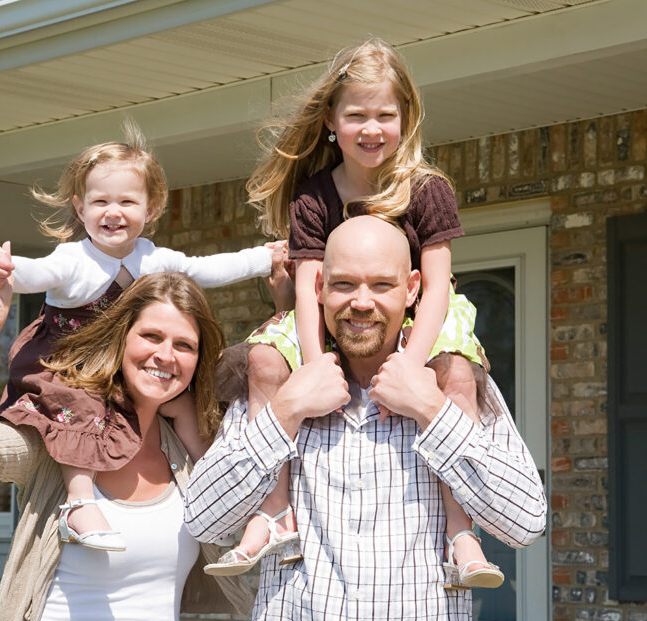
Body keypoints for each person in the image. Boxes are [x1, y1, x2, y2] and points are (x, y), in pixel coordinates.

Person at [184, 215, 547, 621]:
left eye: (381, 284)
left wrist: (431, 411)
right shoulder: (281, 379)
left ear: (414, 288)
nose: (361, 301)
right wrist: (287, 412)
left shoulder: (452, 381)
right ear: (318, 287)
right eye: (344, 284)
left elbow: (525, 521)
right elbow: (203, 519)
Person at [204, 38, 500, 588]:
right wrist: (316, 366)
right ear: (330, 122)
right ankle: (275, 511)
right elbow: (308, 285)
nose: (372, 128)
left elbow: (435, 285)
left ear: (406, 118)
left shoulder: (427, 189)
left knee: (456, 377)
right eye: (356, 114)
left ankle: (461, 531)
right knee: (266, 363)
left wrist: (412, 366)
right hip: (329, 313)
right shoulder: (314, 197)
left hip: (417, 315)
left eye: (386, 114)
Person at [0, 229, 253, 621]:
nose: (166, 355)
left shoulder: (186, 455)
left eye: (185, 344)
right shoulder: (59, 440)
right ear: (122, 340)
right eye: (152, 336)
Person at [0, 123, 287, 552]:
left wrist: (261, 258)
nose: (113, 212)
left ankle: (212, 477)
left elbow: (206, 269)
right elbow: (38, 273)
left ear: (152, 208)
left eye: (127, 201)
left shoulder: (154, 258)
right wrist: (5, 267)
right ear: (79, 207)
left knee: (181, 402)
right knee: (80, 408)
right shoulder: (73, 259)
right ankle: (79, 502)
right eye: (99, 201)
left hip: (117, 368)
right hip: (69, 367)